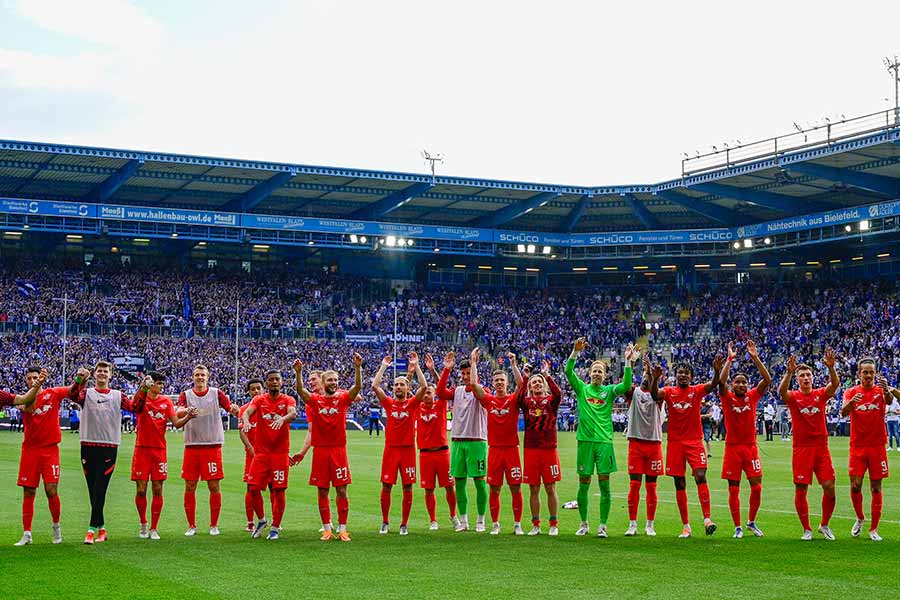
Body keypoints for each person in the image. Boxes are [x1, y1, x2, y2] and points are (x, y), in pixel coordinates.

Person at [565, 337, 637, 538]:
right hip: (585, 442)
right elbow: (568, 372)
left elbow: (626, 385)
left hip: (604, 442)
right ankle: (584, 523)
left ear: (605, 376)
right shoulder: (582, 389)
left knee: (605, 484)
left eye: (600, 371)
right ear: (589, 374)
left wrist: (629, 362)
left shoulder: (609, 391)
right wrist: (575, 352)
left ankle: (603, 526)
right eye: (594, 371)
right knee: (584, 483)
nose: (597, 374)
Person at [651, 355, 724, 538]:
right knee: (679, 482)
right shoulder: (668, 391)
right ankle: (686, 526)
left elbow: (713, 385)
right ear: (676, 376)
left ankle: (707, 519)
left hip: (694, 441)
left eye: (686, 373)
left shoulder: (697, 390)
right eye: (680, 373)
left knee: (700, 475)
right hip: (675, 443)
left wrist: (716, 370)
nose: (682, 375)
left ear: (691, 376)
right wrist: (655, 379)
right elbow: (654, 395)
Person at [293, 353, 363, 542]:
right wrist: (298, 373)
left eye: (336, 380)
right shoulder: (315, 401)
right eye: (330, 380)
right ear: (323, 382)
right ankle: (326, 529)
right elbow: (300, 390)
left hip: (339, 451)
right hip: (321, 451)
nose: (333, 382)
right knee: (322, 490)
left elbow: (357, 387)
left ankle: (342, 529)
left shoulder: (343, 399)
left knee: (341, 490)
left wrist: (357, 367)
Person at [70, 362, 136, 544]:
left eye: (105, 371)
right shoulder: (87, 393)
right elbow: (73, 396)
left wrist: (144, 390)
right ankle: (102, 528)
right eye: (99, 371)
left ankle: (91, 529)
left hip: (109, 446)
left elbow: (135, 407)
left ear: (110, 376)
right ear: (94, 374)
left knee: (100, 488)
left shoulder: (118, 395)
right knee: (92, 489)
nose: (102, 374)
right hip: (88, 445)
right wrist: (79, 380)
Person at [778, 349, 839, 541]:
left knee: (829, 486)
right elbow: (781, 392)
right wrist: (788, 372)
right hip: (802, 448)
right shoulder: (794, 397)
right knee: (801, 488)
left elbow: (834, 385)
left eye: (808, 375)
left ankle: (824, 525)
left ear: (812, 378)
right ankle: (807, 529)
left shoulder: (820, 394)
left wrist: (831, 368)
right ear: (798, 379)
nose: (805, 378)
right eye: (802, 375)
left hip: (821, 448)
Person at [130, 372, 196, 540]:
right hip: (142, 449)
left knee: (158, 489)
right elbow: (134, 405)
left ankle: (154, 528)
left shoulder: (166, 401)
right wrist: (143, 386)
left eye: (162, 384)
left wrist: (188, 416)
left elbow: (175, 423)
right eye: (158, 383)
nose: (160, 387)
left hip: (159, 451)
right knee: (141, 489)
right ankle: (143, 523)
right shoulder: (142, 397)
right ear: (151, 384)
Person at [178, 364, 240, 537]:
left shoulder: (216, 393)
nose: (200, 378)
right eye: (197, 375)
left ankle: (214, 525)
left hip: (212, 445)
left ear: (208, 377)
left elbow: (230, 408)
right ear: (193, 377)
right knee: (190, 485)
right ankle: (191, 525)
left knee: (214, 485)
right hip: (192, 446)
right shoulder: (186, 395)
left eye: (202, 375)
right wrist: (186, 410)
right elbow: (178, 410)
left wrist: (236, 410)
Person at [718, 340, 772, 539]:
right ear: (733, 385)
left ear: (747, 385)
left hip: (750, 448)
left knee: (757, 487)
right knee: (734, 489)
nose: (741, 385)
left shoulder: (752, 396)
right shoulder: (727, 397)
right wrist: (729, 359)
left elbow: (767, 380)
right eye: (737, 382)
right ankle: (737, 527)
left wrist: (755, 357)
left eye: (744, 382)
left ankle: (751, 522)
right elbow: (721, 382)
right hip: (732, 448)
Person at [469, 348, 524, 536]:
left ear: (506, 383)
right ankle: (496, 524)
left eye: (502, 380)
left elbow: (521, 385)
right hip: (494, 451)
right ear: (492, 384)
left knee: (516, 488)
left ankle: (517, 524)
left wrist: (514, 365)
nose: (499, 383)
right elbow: (474, 385)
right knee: (494, 489)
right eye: (496, 380)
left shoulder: (513, 400)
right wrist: (474, 363)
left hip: (511, 450)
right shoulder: (489, 401)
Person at [372, 353, 427, 535]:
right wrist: (383, 366)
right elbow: (375, 386)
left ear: (407, 387)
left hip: (408, 451)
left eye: (402, 384)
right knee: (386, 486)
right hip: (391, 450)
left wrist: (416, 365)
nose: (398, 387)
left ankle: (404, 524)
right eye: (396, 384)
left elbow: (424, 386)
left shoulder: (412, 404)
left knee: (407, 486)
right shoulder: (389, 403)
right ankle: (385, 522)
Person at [435, 351, 488, 533]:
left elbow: (475, 385)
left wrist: (474, 364)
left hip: (477, 441)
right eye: (463, 373)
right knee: (459, 482)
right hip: (458, 441)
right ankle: (464, 521)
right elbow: (440, 392)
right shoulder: (457, 391)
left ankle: (481, 520)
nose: (465, 377)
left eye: (468, 373)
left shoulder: (482, 391)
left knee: (480, 482)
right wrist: (446, 369)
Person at [242, 369, 297, 540]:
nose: (274, 382)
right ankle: (262, 520)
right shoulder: (259, 400)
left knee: (279, 491)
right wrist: (245, 421)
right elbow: (246, 412)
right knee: (252, 488)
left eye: (277, 379)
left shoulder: (288, 399)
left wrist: (283, 419)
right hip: (261, 453)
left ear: (281, 382)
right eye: (271, 380)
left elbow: (293, 413)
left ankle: (275, 527)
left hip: (280, 453)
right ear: (266, 383)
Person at [9, 367, 61, 547]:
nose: (32, 381)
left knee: (51, 490)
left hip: (50, 450)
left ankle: (56, 526)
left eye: (35, 378)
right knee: (29, 491)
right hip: (30, 451)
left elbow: (71, 391)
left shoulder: (52, 394)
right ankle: (27, 533)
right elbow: (29, 407)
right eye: (29, 379)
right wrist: (38, 385)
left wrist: (80, 379)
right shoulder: (23, 399)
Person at [840, 358, 889, 541]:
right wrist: (852, 402)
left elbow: (891, 399)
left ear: (875, 374)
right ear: (859, 374)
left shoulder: (880, 391)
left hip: (877, 446)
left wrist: (886, 390)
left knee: (876, 488)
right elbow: (843, 412)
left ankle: (874, 529)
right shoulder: (851, 392)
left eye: (871, 372)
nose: (868, 375)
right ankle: (860, 518)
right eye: (865, 372)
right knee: (855, 485)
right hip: (858, 446)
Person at [517, 360, 563, 536]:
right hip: (531, 450)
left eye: (539, 382)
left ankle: (553, 524)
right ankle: (536, 524)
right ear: (530, 387)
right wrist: (525, 377)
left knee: (550, 487)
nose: (536, 384)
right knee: (533, 488)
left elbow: (558, 394)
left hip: (549, 449)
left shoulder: (551, 401)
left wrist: (547, 375)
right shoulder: (527, 402)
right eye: (533, 383)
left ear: (544, 385)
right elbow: (519, 397)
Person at [417, 355, 459, 531]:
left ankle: (453, 516)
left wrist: (433, 370)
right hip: (425, 454)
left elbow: (441, 387)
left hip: (442, 453)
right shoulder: (417, 407)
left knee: (449, 487)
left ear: (435, 394)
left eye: (430, 392)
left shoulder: (440, 404)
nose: (427, 394)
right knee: (429, 489)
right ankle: (433, 520)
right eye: (425, 392)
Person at [625, 355, 664, 537]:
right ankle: (632, 524)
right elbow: (625, 386)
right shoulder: (633, 393)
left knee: (651, 487)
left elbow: (656, 391)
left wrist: (654, 377)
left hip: (654, 445)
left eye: (650, 376)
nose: (647, 378)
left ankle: (650, 524)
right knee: (634, 485)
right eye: (645, 375)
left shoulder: (658, 395)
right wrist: (629, 362)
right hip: (636, 443)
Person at [238, 378, 265, 532]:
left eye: (258, 388)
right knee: (250, 488)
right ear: (249, 392)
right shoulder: (244, 409)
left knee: (274, 488)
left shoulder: (269, 406)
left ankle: (276, 522)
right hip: (252, 455)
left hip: (269, 454)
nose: (256, 391)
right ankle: (250, 522)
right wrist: (250, 448)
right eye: (252, 389)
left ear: (263, 389)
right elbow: (242, 431)